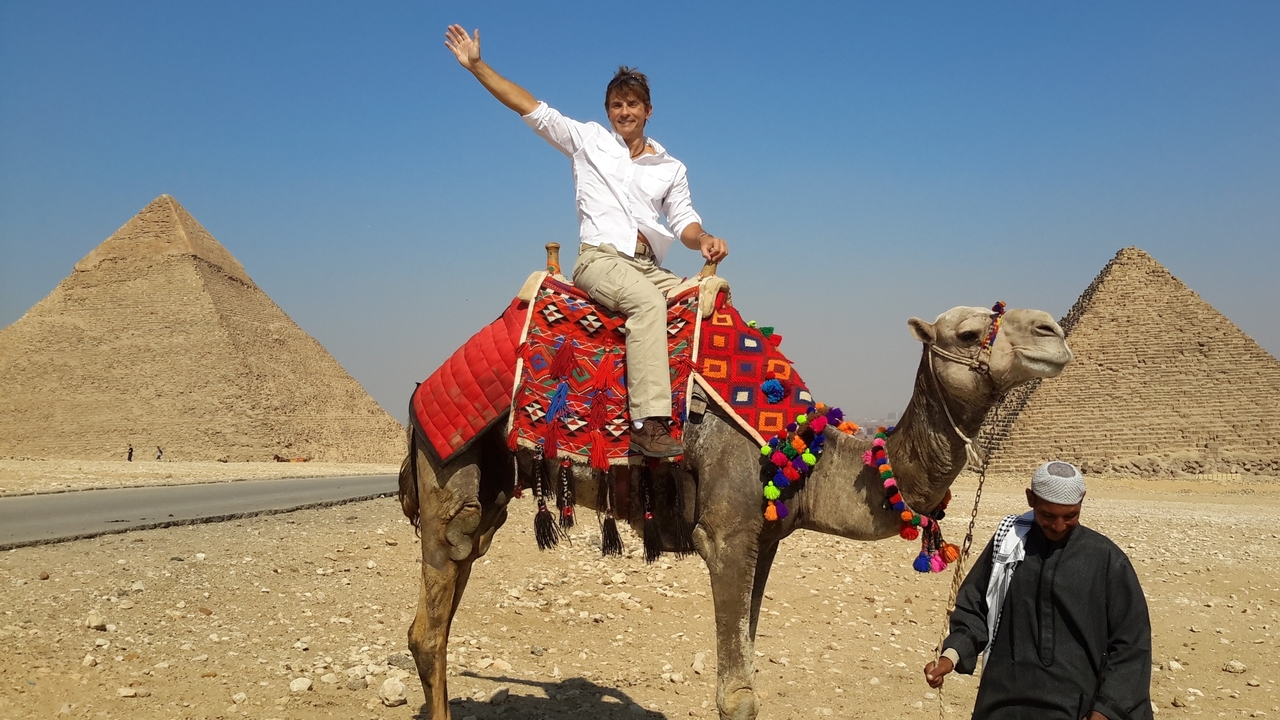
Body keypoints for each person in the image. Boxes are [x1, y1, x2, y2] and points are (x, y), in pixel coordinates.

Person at [444, 25, 728, 458]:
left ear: (648, 110)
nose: (624, 111)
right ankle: (646, 423)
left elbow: (685, 222)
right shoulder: (589, 141)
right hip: (601, 260)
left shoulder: (671, 167)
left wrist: (704, 238)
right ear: (608, 110)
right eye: (617, 104)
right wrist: (478, 66)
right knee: (648, 305)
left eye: (632, 104)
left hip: (650, 266)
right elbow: (532, 108)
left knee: (705, 299)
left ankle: (712, 417)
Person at [923, 461, 1152, 720]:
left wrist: (1106, 709)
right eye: (1047, 516)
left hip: (1079, 707)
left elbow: (1132, 644)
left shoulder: (1106, 559)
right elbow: (975, 607)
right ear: (1030, 499)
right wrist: (950, 657)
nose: (1058, 526)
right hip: (1004, 702)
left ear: (1082, 501)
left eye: (1070, 516)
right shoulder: (1008, 548)